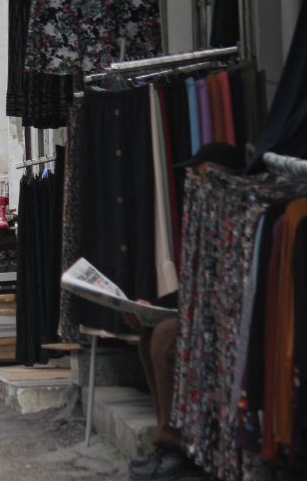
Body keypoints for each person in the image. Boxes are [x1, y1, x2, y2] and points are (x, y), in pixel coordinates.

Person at [126, 142, 243, 481]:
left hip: (229, 322)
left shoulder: (236, 219)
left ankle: (178, 447)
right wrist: (152, 306)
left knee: (165, 334)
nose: (193, 182)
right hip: (205, 317)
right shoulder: (205, 219)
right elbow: (195, 287)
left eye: (199, 174)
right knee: (152, 329)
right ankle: (167, 439)